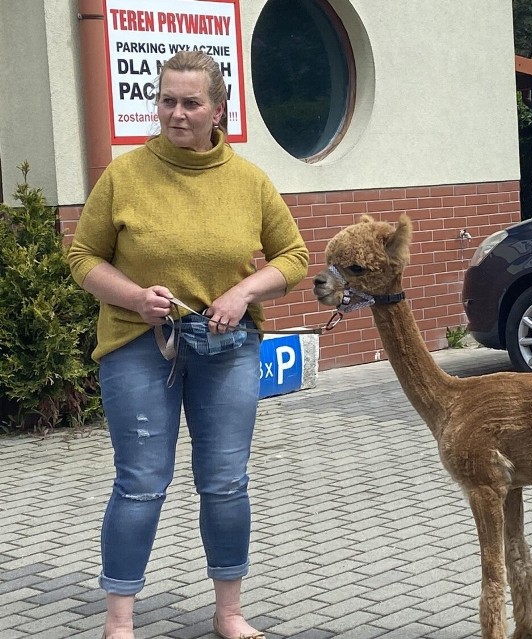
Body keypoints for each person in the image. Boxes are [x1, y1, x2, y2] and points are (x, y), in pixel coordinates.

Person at [68, 50, 309, 639]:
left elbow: (295, 257)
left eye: (190, 102)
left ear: (218, 109)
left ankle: (229, 613)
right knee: (141, 480)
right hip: (138, 345)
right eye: (167, 100)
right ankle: (119, 620)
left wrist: (241, 293)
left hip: (227, 349)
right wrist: (130, 295)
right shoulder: (124, 175)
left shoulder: (248, 180)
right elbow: (81, 257)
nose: (176, 113)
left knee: (225, 481)